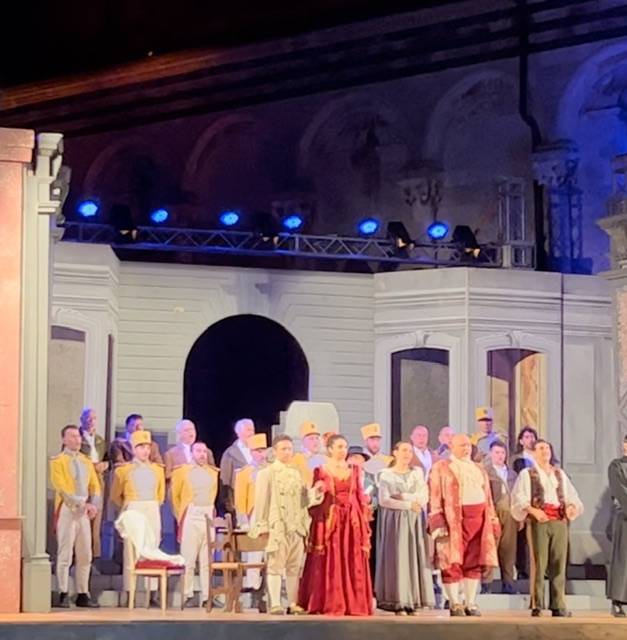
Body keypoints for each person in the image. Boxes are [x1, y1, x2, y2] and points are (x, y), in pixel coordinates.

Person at [298, 434, 373, 615]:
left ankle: (353, 603)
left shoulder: (354, 470)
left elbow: (358, 495)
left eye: (345, 447)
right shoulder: (321, 470)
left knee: (351, 558)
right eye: (339, 447)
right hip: (331, 519)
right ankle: (330, 600)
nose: (343, 450)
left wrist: (364, 508)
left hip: (351, 521)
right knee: (331, 558)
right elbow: (314, 498)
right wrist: (318, 490)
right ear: (330, 449)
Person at [249, 434, 324, 615]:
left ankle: (292, 602)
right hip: (278, 525)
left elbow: (304, 500)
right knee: (275, 565)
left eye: (289, 449)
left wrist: (315, 491)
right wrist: (262, 526)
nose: (287, 452)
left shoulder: (296, 473)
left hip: (296, 526)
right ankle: (275, 603)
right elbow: (261, 501)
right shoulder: (267, 473)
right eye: (283, 449)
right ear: (274, 451)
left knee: (294, 567)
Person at [428, 433, 500, 617]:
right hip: (453, 521)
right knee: (451, 561)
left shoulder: (479, 469)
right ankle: (454, 602)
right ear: (451, 447)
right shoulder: (441, 467)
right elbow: (434, 496)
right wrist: (437, 520)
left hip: (478, 520)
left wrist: (493, 520)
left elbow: (489, 498)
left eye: (468, 445)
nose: (466, 448)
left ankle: (470, 602)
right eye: (462, 445)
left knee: (474, 561)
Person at [511, 439, 584, 617]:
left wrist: (571, 507)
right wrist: (534, 511)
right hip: (540, 521)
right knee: (539, 562)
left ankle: (558, 604)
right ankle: (537, 603)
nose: (545, 451)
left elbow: (572, 496)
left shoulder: (559, 474)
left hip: (559, 521)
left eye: (547, 448)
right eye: (541, 448)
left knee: (559, 562)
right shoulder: (528, 474)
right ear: (534, 453)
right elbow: (520, 497)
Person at [376, 441, 434, 615]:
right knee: (398, 558)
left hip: (414, 520)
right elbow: (384, 500)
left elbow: (423, 496)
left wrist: (403, 496)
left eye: (409, 451)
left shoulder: (417, 473)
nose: (407, 454)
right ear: (395, 453)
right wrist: (408, 504)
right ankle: (398, 601)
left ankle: (414, 600)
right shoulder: (386, 475)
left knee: (414, 556)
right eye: (404, 450)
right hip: (395, 521)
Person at [110, 429, 166, 607]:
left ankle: (152, 593)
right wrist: (129, 508)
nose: (145, 451)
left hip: (152, 508)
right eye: (141, 447)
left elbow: (161, 495)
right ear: (134, 449)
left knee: (152, 548)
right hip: (133, 507)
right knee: (131, 552)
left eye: (147, 447)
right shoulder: (123, 470)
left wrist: (152, 506)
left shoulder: (158, 470)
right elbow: (115, 496)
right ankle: (130, 592)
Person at [50, 425, 101, 608]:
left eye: (78, 436)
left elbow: (95, 485)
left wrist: (94, 504)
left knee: (85, 553)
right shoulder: (58, 461)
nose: (77, 439)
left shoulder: (86, 461)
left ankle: (82, 592)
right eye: (72, 436)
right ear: (64, 440)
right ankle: (62, 592)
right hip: (68, 509)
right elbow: (62, 488)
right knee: (65, 553)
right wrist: (81, 503)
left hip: (84, 512)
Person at [170, 441, 219, 608]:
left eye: (204, 451)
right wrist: (181, 516)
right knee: (189, 558)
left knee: (207, 560)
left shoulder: (213, 473)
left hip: (207, 514)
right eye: (198, 451)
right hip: (191, 514)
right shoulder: (182, 471)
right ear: (191, 453)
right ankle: (187, 594)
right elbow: (175, 497)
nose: (202, 454)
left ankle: (207, 596)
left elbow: (213, 494)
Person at [481, 441, 518, 595]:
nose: (500, 456)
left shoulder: (512, 474)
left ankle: (508, 583)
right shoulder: (486, 472)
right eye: (496, 452)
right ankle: (486, 583)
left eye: (502, 453)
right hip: (493, 512)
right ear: (491, 454)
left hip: (510, 513)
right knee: (490, 547)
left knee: (508, 549)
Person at [79, 407, 108, 559]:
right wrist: (90, 466)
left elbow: (108, 459)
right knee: (82, 516)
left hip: (98, 479)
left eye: (94, 419)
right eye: (88, 418)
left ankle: (95, 555)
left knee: (97, 516)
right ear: (82, 420)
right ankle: (80, 555)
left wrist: (105, 465)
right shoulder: (76, 438)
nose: (91, 422)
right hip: (82, 481)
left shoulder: (100, 440)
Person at [607, 434, 627, 618]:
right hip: (625, 517)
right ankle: (618, 601)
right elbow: (620, 490)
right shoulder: (616, 466)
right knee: (623, 560)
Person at [220, 418, 255, 515]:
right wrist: (229, 504)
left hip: (255, 499)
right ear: (238, 432)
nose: (251, 433)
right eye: (248, 430)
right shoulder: (230, 453)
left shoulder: (258, 451)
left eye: (252, 430)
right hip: (238, 498)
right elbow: (225, 481)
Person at [291, 421, 326, 486]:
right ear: (303, 441)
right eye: (311, 439)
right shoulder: (296, 459)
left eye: (317, 438)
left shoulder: (322, 459)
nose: (315, 441)